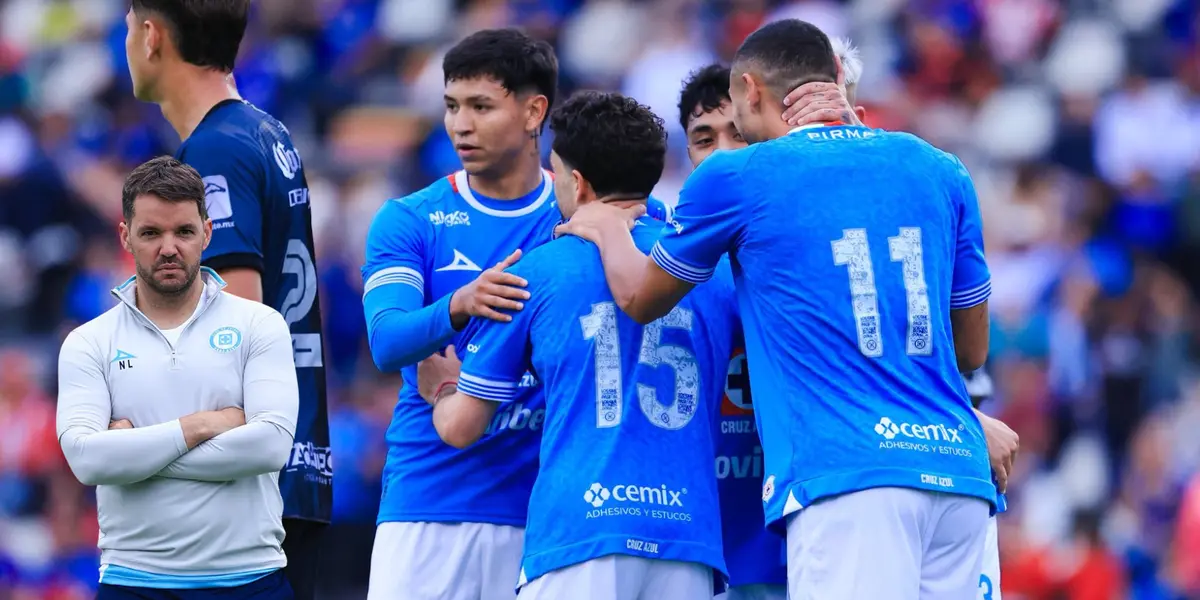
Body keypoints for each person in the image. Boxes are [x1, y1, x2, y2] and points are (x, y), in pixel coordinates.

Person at [561, 20, 996, 600]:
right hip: (959, 477)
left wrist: (608, 229)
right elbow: (970, 349)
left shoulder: (738, 178)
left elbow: (640, 299)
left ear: (751, 91)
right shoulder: (942, 167)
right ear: (837, 78)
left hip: (846, 476)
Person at [417, 90, 737, 600]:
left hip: (579, 533)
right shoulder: (713, 270)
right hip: (688, 538)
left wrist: (441, 388)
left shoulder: (534, 272)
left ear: (577, 182)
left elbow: (461, 427)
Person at [123, 3, 331, 596]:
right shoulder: (266, 132)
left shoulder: (216, 151)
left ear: (151, 35)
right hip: (289, 465)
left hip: (242, 496)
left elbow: (234, 330)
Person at [360, 28, 563, 600]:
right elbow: (386, 339)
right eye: (452, 106)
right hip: (428, 503)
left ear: (533, 112)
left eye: (480, 106)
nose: (460, 125)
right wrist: (458, 304)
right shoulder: (411, 218)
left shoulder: (581, 215)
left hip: (545, 511)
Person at [56, 156, 298, 598]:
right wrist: (200, 425)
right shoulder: (89, 342)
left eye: (184, 231)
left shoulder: (260, 325)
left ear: (207, 232)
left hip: (249, 577)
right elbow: (87, 461)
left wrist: (132, 455)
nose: (169, 247)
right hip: (133, 581)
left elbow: (270, 446)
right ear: (126, 236)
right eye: (151, 233)